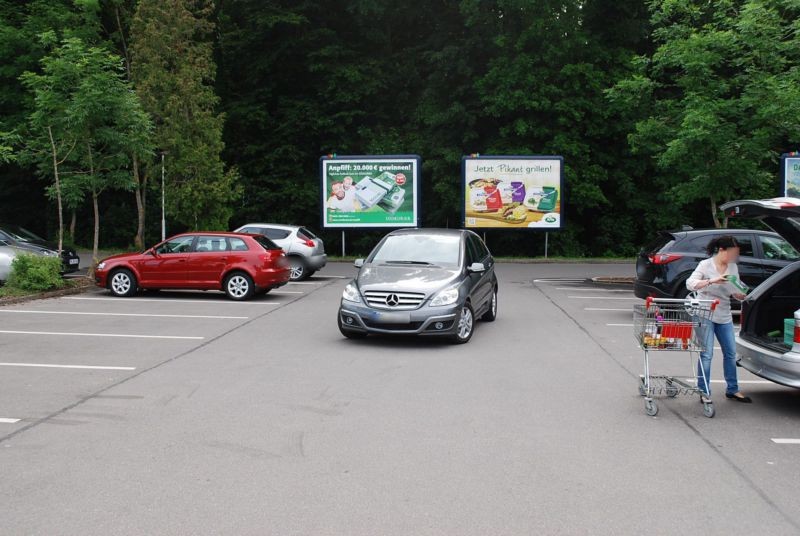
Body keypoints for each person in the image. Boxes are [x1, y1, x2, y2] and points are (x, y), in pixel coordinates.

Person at [686, 235, 752, 404]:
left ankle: (732, 389)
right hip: (704, 313)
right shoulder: (706, 265)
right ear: (722, 250)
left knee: (730, 353)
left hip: (724, 313)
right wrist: (711, 280)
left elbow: (734, 290)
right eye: (731, 252)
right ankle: (703, 391)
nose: (733, 256)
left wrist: (739, 294)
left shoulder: (732, 267)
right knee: (707, 353)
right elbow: (690, 283)